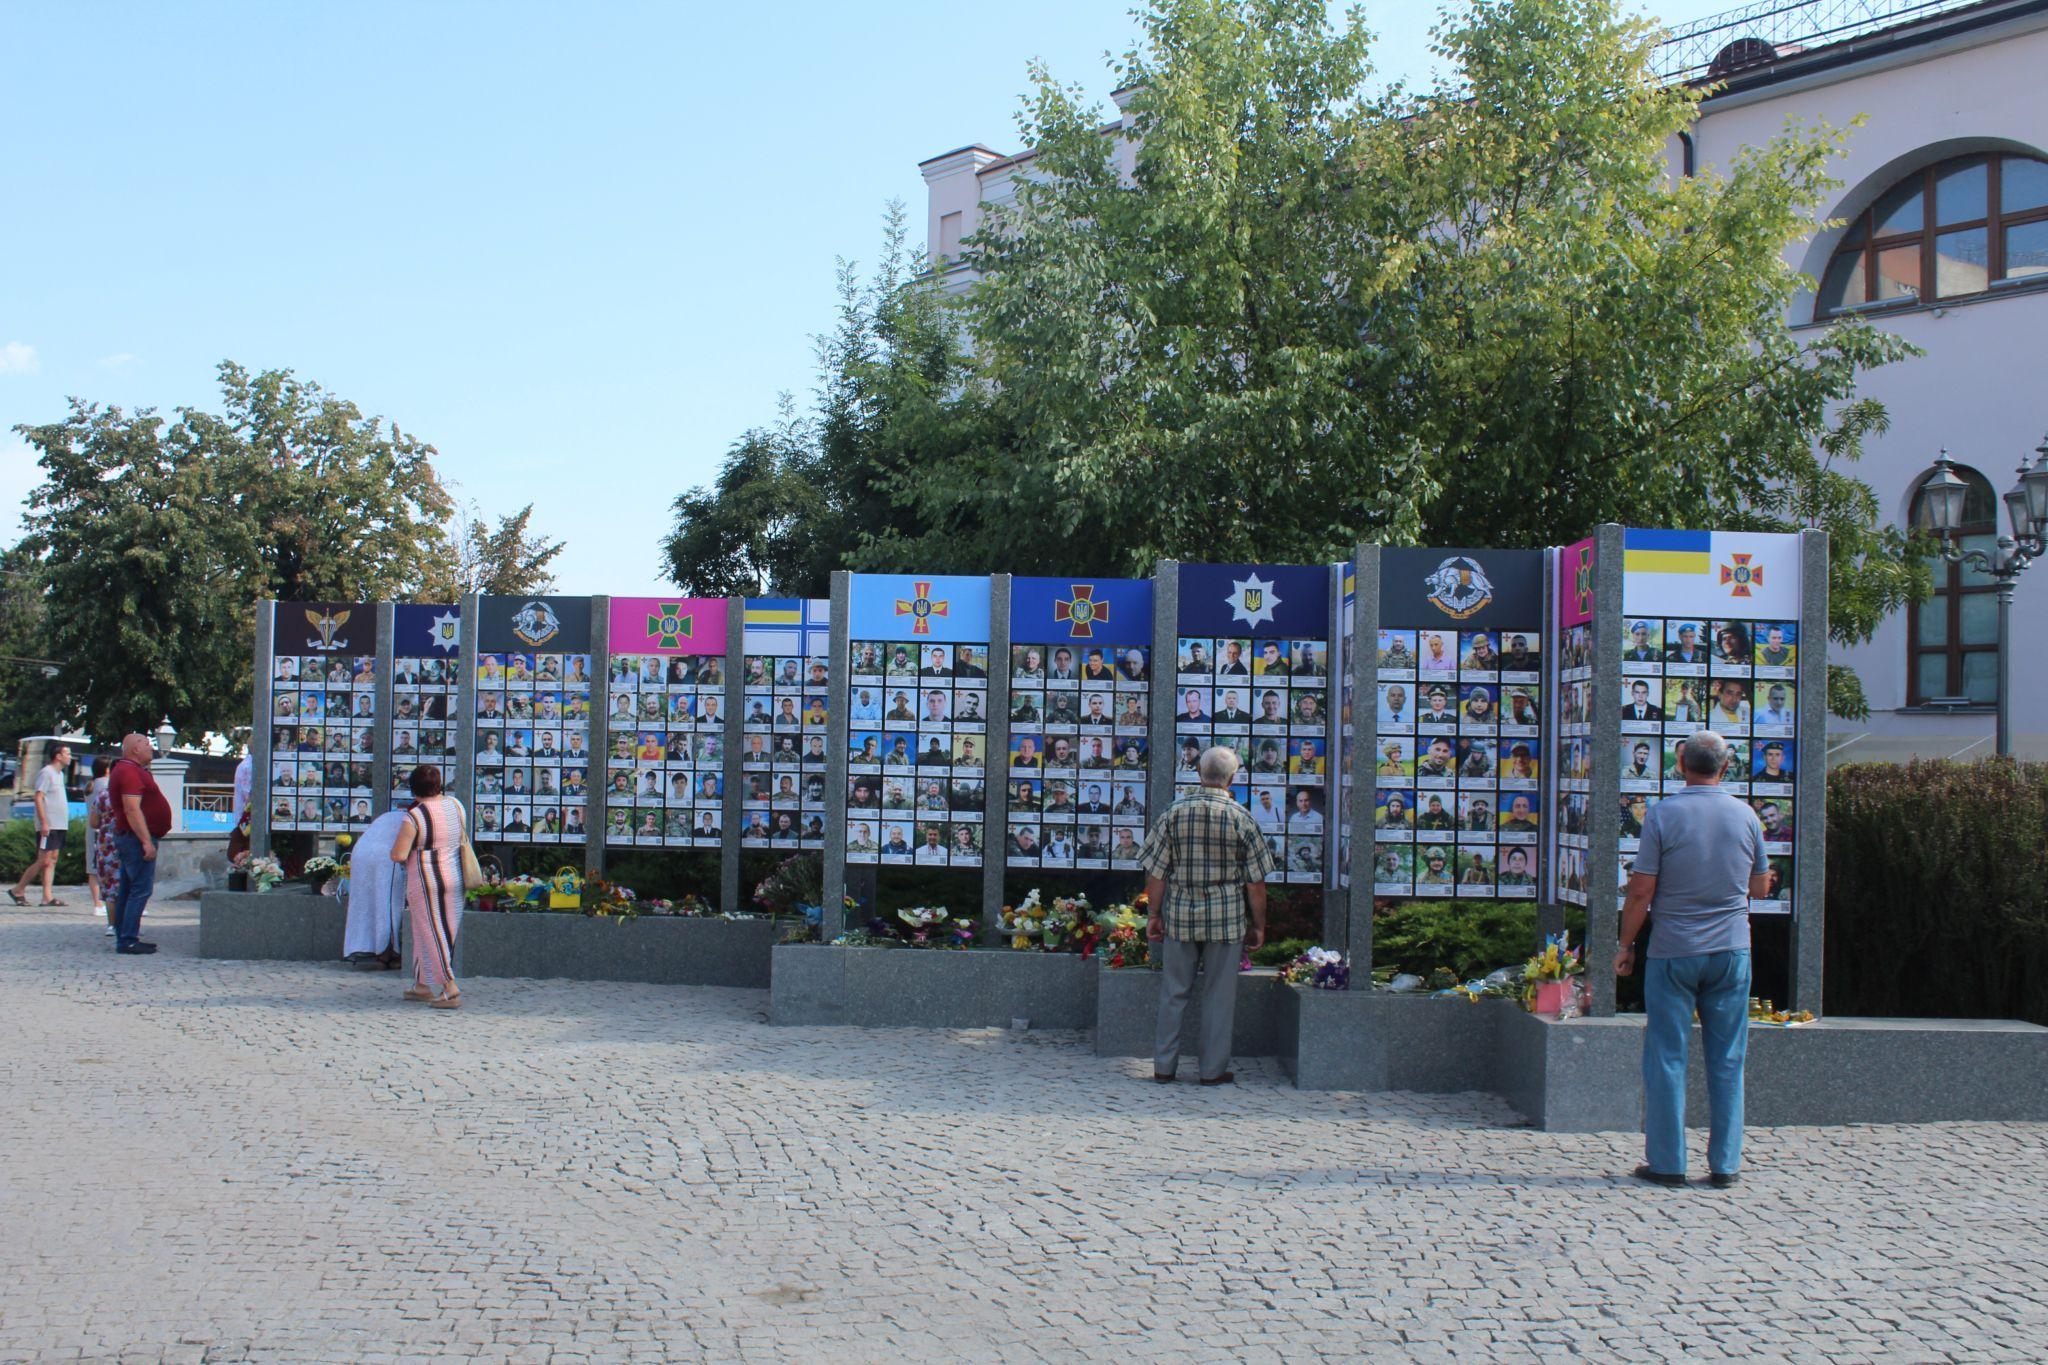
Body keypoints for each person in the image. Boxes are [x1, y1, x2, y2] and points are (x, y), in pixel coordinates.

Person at [1615, 730, 1772, 1189]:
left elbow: (1641, 890)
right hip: (1730, 950)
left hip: (1674, 949)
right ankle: (1725, 1165)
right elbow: (1759, 888)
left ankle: (1668, 1163)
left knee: (1666, 1055)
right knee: (1727, 1057)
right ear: (1725, 768)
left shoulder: (1664, 814)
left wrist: (1625, 946)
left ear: (1681, 765)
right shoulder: (1746, 816)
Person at [1142, 746, 1277, 1085]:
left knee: (1173, 992)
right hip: (1226, 918)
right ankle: (1212, 1071)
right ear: (1232, 778)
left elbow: (1156, 873)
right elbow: (1256, 882)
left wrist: (1154, 914)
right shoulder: (1241, 818)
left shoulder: (1172, 813)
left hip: (1181, 915)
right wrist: (1259, 925)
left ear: (1198, 773)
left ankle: (1163, 1067)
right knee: (1219, 997)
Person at [388, 764, 467, 1009]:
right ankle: (422, 985)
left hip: (425, 878)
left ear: (414, 788)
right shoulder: (456, 806)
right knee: (438, 931)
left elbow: (399, 854)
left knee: (432, 932)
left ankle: (450, 988)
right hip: (454, 874)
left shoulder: (415, 815)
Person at [106, 734, 172, 953]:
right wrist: (146, 841)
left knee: (128, 888)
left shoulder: (131, 770)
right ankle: (128, 938)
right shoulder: (129, 771)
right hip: (135, 839)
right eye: (146, 744)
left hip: (132, 837)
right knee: (140, 890)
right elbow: (132, 809)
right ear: (134, 749)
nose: (151, 748)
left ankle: (123, 936)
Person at [343, 809, 410, 968]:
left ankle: (368, 949)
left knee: (364, 905)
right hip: (386, 856)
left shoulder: (388, 816)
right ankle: (388, 954)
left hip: (361, 854)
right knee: (389, 905)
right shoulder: (413, 817)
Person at [12, 743, 73, 908]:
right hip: (49, 824)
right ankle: (18, 889)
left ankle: (47, 897)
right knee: (43, 859)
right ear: (58, 756)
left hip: (59, 824)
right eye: (67, 753)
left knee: (52, 860)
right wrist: (44, 821)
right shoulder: (47, 773)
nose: (70, 756)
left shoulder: (59, 775)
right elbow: (39, 797)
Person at [87, 758, 118, 932]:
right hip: (125, 840)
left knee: (109, 884)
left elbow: (93, 822)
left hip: (104, 842)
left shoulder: (100, 793)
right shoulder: (125, 793)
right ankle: (127, 925)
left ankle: (111, 924)